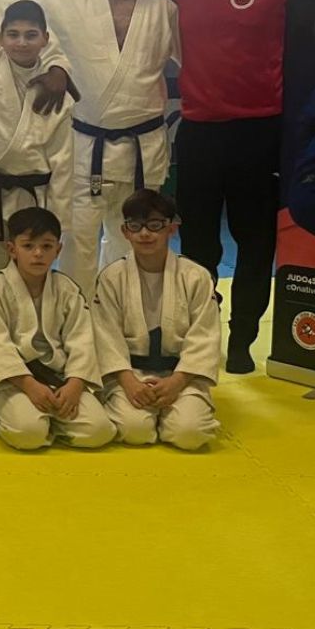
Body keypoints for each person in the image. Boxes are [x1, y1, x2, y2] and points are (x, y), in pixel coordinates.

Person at [21, 0, 180, 298]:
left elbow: (200, 59)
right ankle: (78, 313)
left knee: (133, 239)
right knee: (78, 240)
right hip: (86, 145)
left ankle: (122, 310)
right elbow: (6, 4)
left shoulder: (166, 7)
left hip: (143, 147)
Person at [169, 0, 287, 374]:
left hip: (259, 131)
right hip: (199, 132)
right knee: (197, 246)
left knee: (256, 242)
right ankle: (204, 335)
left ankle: (243, 339)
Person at [93, 189, 221, 450]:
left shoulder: (196, 277)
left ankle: (178, 411)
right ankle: (152, 412)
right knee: (135, 430)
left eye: (154, 225)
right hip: (130, 374)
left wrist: (176, 382)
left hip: (182, 374)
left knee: (189, 434)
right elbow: (106, 337)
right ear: (125, 231)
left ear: (171, 228)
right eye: (136, 226)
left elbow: (205, 336)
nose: (145, 234)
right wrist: (129, 382)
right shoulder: (111, 278)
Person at [0, 206, 114, 451]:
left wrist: (75, 384)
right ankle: (21, 417)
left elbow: (81, 340)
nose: (38, 254)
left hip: (60, 378)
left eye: (47, 246)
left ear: (58, 250)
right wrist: (29, 385)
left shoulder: (67, 289)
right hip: (16, 380)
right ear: (12, 249)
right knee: (28, 434)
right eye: (28, 246)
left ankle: (52, 421)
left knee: (99, 431)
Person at [0, 1, 75, 284]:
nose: (22, 43)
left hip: (35, 197)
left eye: (31, 35)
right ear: (0, 38)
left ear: (45, 39)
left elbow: (63, 161)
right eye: (13, 34)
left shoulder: (57, 91)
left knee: (32, 276)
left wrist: (58, 220)